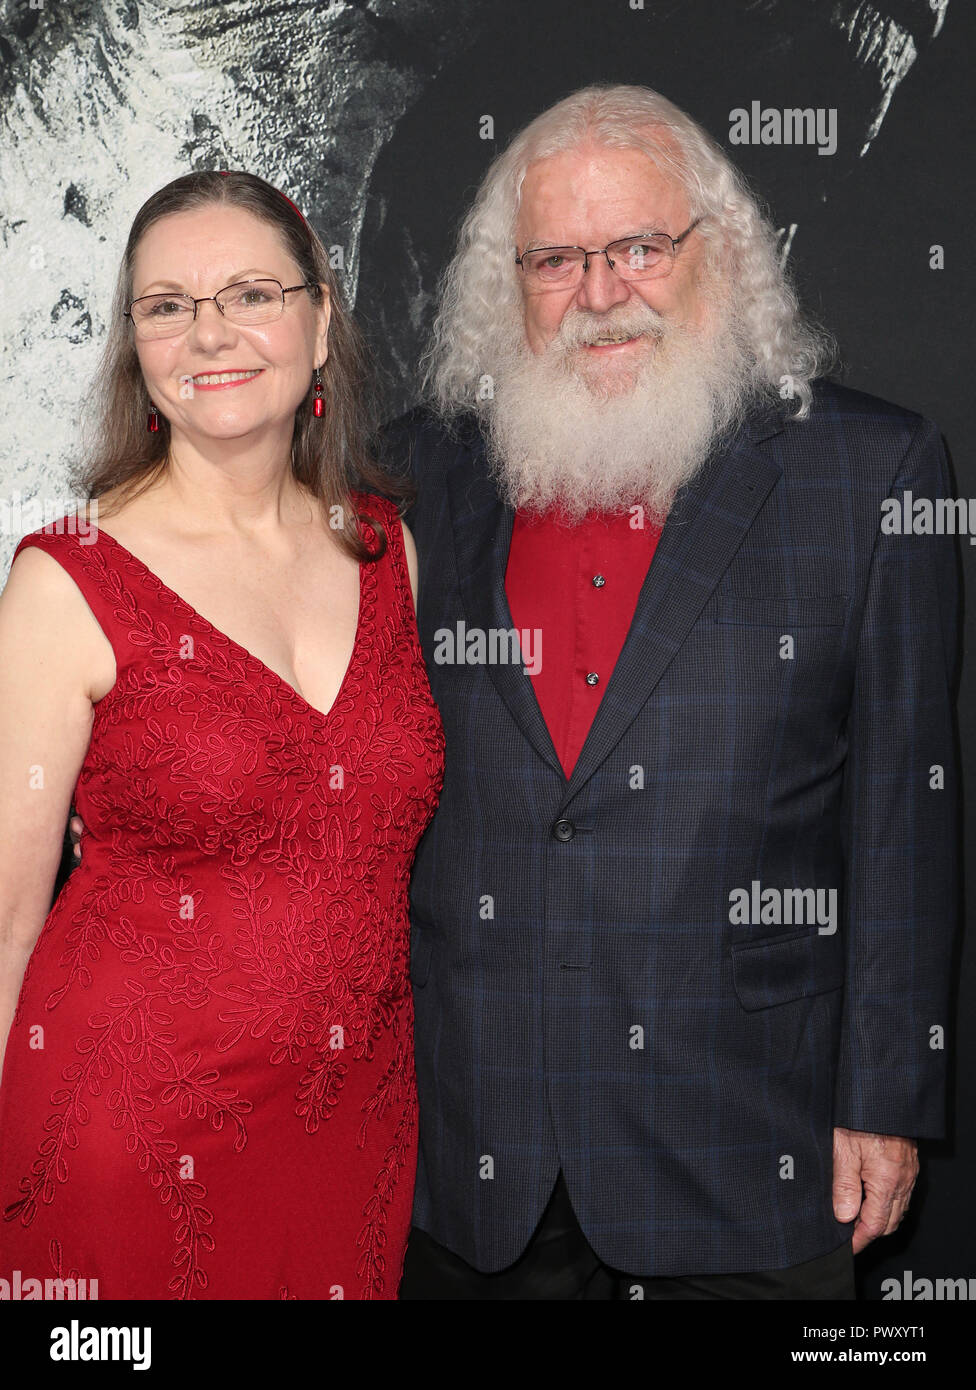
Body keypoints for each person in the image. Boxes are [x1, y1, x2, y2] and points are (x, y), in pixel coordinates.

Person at [382, 84, 957, 1298]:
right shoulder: (420, 475)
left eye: (640, 246)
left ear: (720, 254)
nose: (601, 293)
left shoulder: (870, 472)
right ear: (510, 284)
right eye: (556, 260)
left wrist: (886, 1096)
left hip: (750, 1147)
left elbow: (907, 816)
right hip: (472, 1166)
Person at [0, 170, 444, 1300]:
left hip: (353, 1132)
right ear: (135, 344)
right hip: (121, 1141)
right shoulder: (67, 580)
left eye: (251, 291)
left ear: (320, 317)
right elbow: (4, 924)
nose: (211, 333)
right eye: (167, 305)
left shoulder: (390, 553)